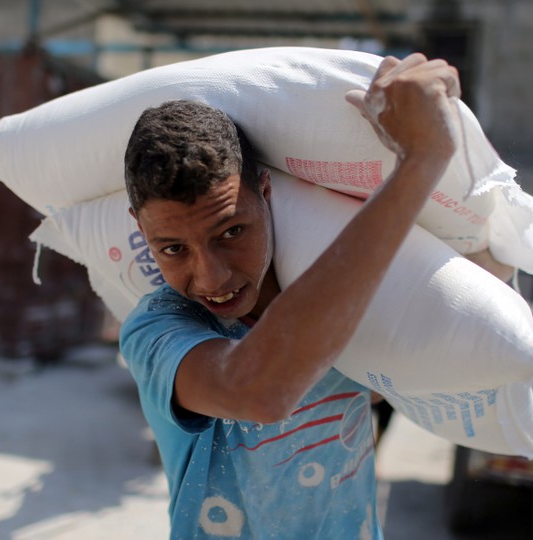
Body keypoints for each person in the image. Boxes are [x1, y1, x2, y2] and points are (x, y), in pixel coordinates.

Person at [119, 53, 463, 539]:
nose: (211, 277)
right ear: (141, 230)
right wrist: (421, 162)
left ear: (267, 191)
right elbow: (257, 390)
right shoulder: (156, 330)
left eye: (232, 232)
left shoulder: (335, 287)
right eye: (173, 249)